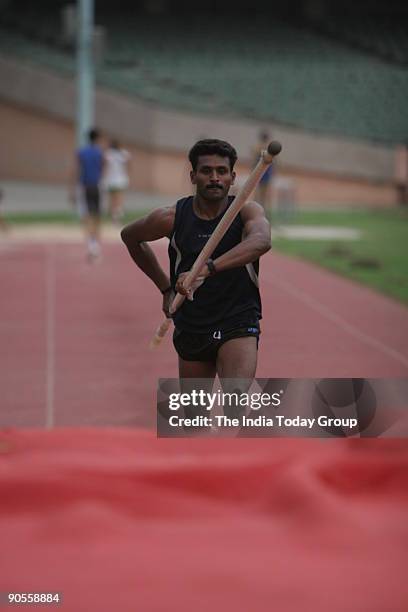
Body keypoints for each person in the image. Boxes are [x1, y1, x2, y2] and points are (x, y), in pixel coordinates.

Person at [121, 139, 271, 419]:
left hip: (238, 319)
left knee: (237, 403)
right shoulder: (171, 218)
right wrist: (165, 287)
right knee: (194, 417)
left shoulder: (247, 212)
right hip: (192, 323)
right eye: (206, 171)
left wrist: (207, 268)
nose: (215, 178)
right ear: (193, 176)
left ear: (233, 177)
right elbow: (130, 237)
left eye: (222, 171)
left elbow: (261, 241)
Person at [69, 128, 104, 261]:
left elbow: (75, 170)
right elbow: (103, 169)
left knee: (87, 215)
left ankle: (92, 245)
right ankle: (96, 245)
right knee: (97, 215)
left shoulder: (81, 152)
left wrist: (71, 190)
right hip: (97, 186)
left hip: (84, 186)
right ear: (98, 138)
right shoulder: (100, 153)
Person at [103, 139, 131, 223]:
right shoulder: (123, 154)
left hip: (110, 180)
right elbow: (129, 165)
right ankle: (116, 217)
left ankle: (113, 217)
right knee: (119, 200)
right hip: (120, 180)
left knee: (112, 199)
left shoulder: (108, 154)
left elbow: (105, 167)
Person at [253, 130, 274, 217]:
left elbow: (253, 159)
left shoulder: (257, 147)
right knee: (263, 194)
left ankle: (260, 212)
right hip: (264, 170)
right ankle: (261, 212)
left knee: (260, 194)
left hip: (262, 170)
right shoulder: (268, 147)